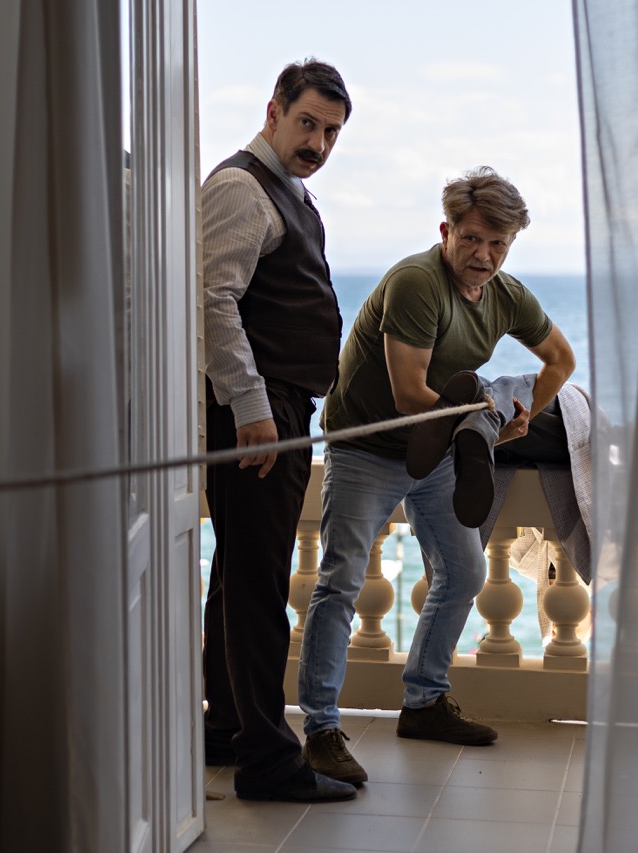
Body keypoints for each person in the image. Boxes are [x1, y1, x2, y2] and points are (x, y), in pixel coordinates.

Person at [297, 167, 576, 785]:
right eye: (472, 238)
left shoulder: (507, 295)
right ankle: (320, 729)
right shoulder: (416, 282)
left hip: (440, 450)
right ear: (446, 231)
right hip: (369, 445)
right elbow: (407, 394)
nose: (484, 256)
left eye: (498, 244)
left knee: (467, 572)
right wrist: (480, 423)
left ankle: (423, 702)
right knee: (341, 582)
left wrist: (521, 419)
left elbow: (560, 359)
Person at [200, 59, 356, 803]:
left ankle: (227, 728)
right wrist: (252, 407)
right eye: (307, 123)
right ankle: (266, 760)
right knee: (260, 584)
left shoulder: (291, 194)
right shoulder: (241, 187)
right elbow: (213, 302)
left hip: (277, 406)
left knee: (240, 573)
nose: (317, 142)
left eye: (331, 131)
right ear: (273, 112)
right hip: (259, 412)